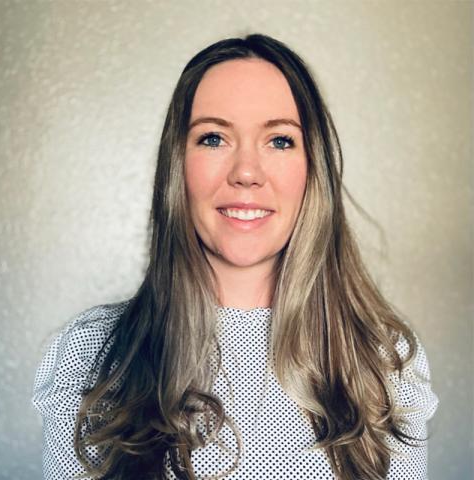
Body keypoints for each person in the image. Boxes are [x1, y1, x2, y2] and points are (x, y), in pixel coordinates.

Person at [32, 34, 438, 480]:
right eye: (213, 137)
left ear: (312, 168)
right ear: (178, 165)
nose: (246, 172)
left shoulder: (385, 361)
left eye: (279, 141)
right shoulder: (90, 354)